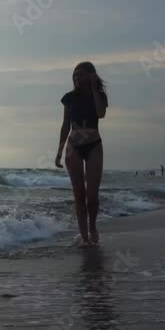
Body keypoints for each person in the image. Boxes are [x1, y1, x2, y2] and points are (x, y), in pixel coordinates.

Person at [54, 61, 108, 247]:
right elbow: (65, 125)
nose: (77, 77)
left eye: (82, 74)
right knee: (79, 195)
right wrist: (59, 151)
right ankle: (84, 237)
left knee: (92, 197)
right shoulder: (69, 98)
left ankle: (92, 227)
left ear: (91, 75)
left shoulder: (99, 96)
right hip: (73, 147)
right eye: (75, 74)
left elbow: (100, 114)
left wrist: (93, 88)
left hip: (94, 145)